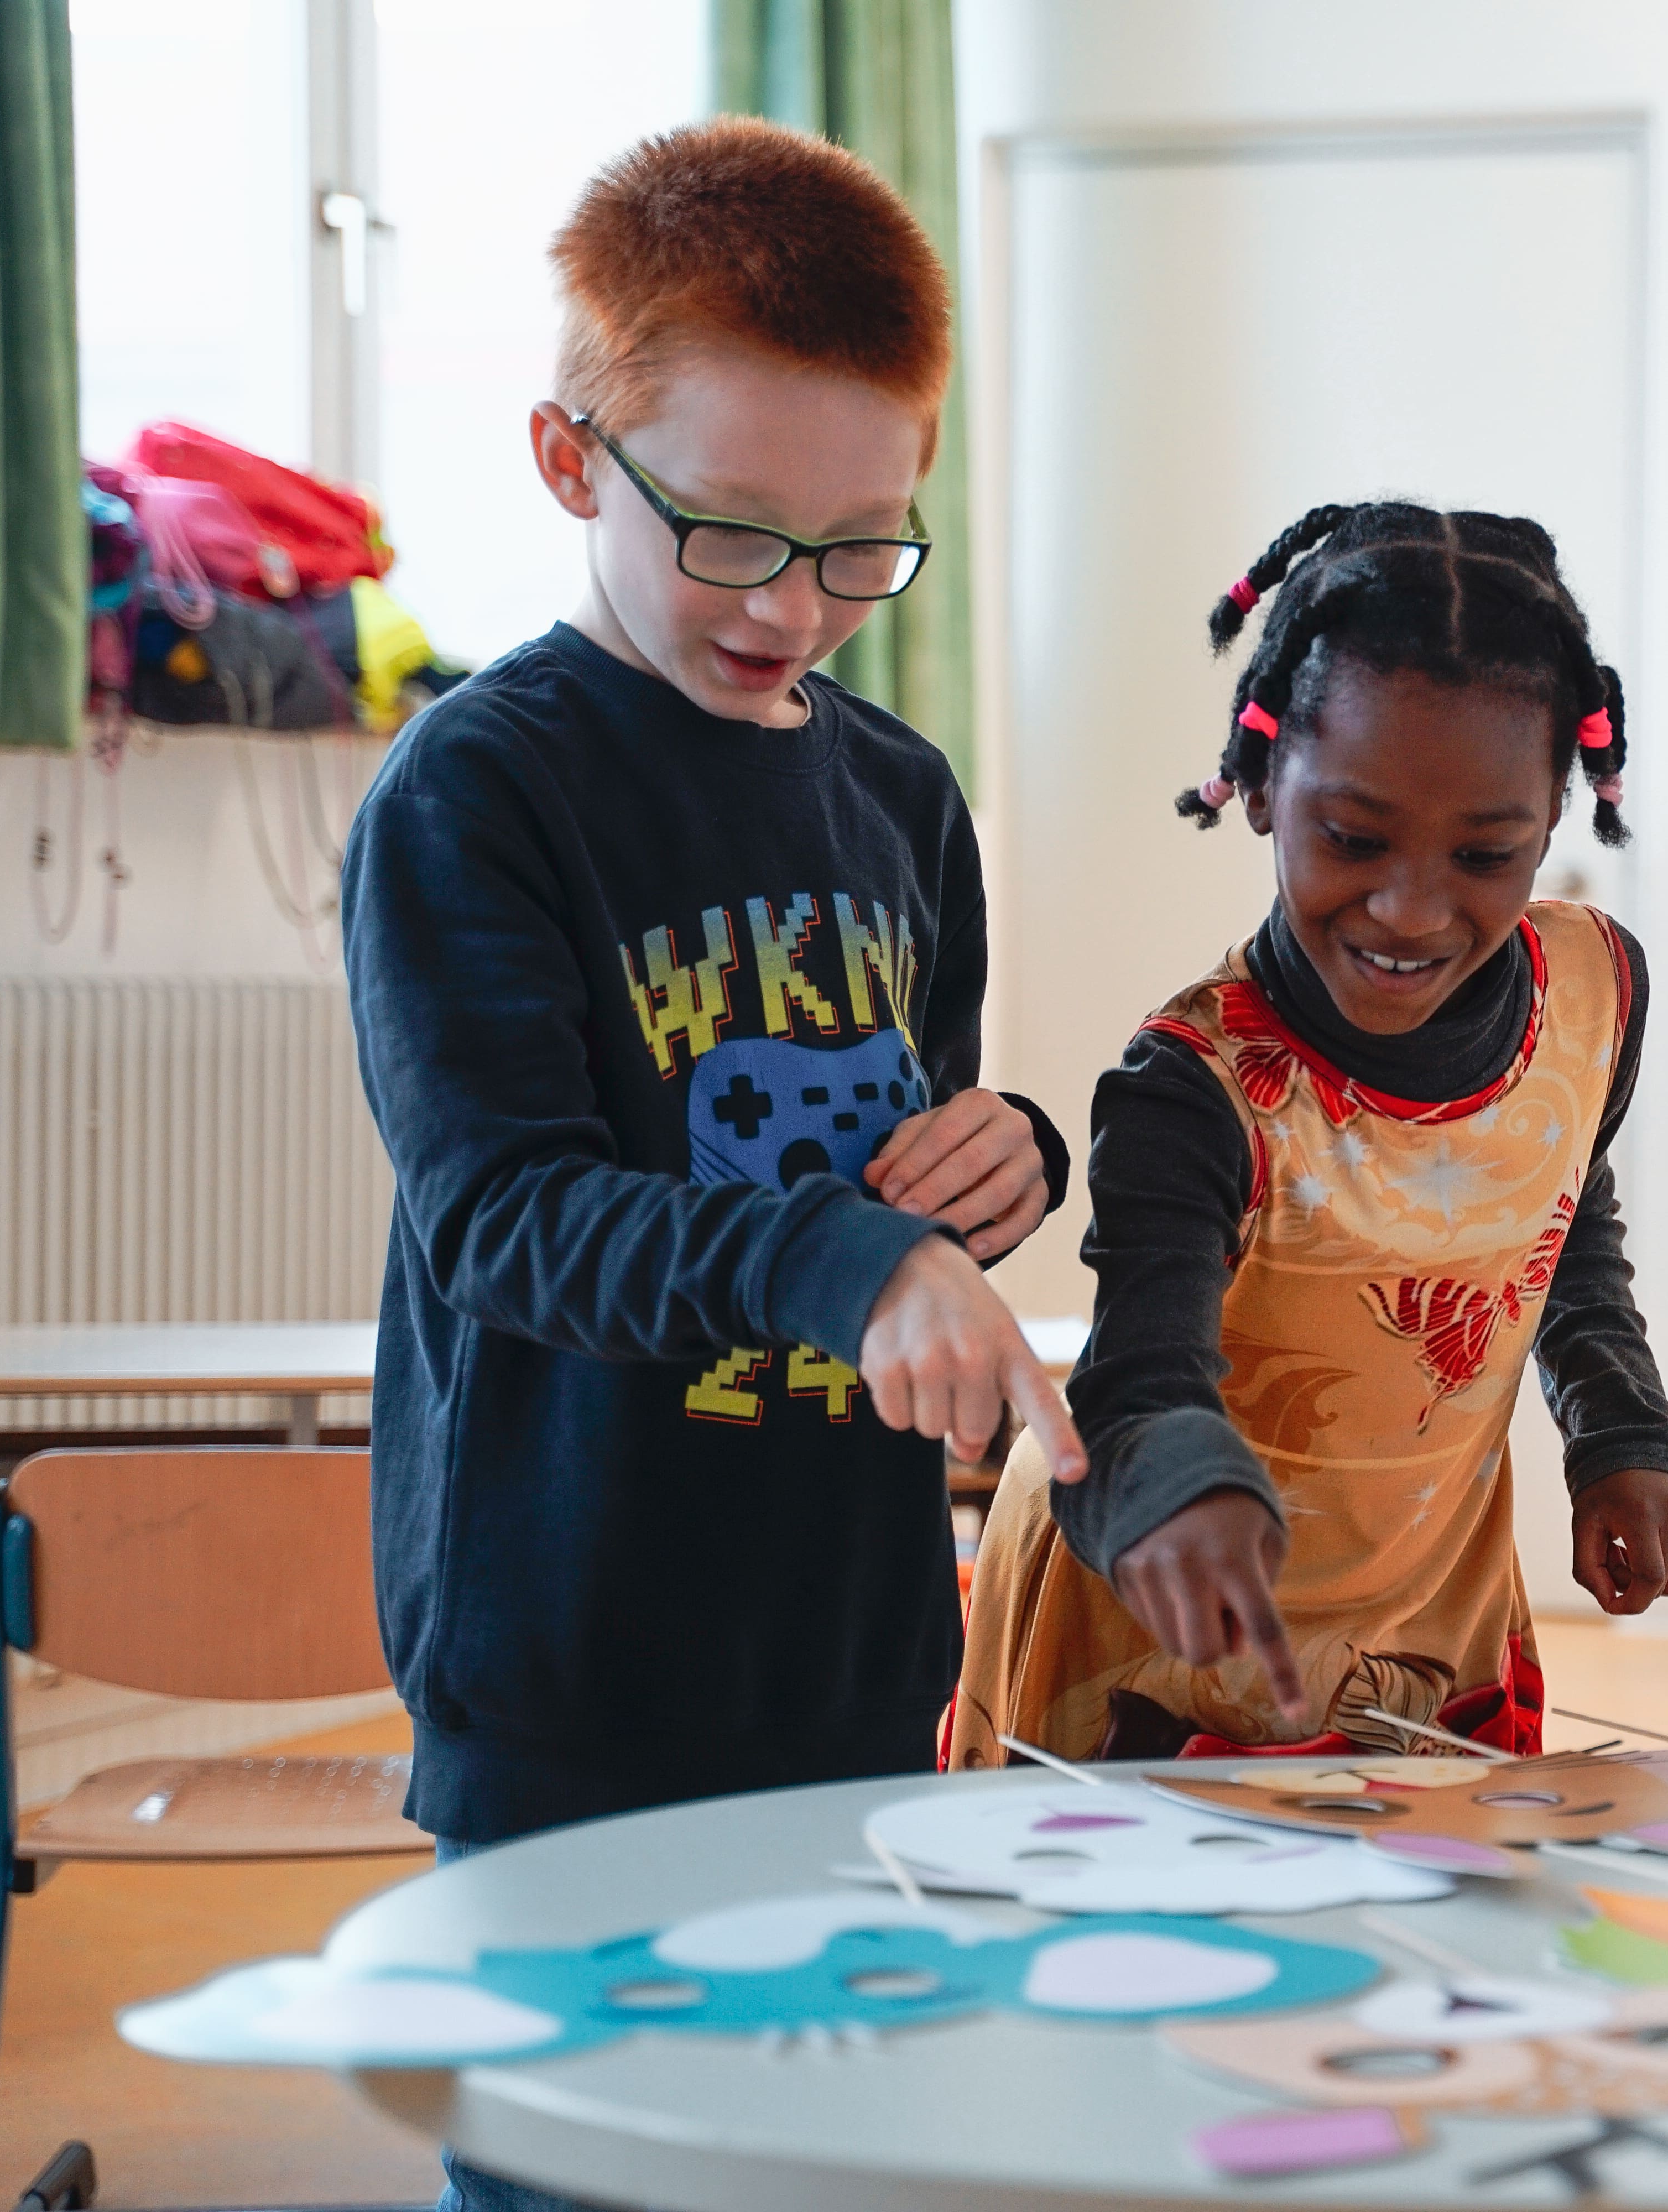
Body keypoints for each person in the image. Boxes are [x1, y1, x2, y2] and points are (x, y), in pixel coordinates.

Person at [338, 118, 1083, 2211]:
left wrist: (1007, 1157)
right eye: (738, 535)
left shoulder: (903, 800)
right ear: (576, 461)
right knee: (584, 2173)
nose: (803, 605)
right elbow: (502, 1218)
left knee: (825, 2162)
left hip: (847, 1642)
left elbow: (894, 1142)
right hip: (577, 1659)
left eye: (869, 544)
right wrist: (846, 1270)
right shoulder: (477, 792)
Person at [954, 500, 1668, 1765]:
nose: (1412, 908)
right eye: (1353, 839)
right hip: (1167, 1614)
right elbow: (1137, 1381)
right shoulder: (1195, 1086)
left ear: (1553, 823)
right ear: (1257, 784)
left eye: (1488, 852)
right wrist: (1178, 1486)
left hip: (1426, 1611)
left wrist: (1624, 1428)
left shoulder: (1597, 993)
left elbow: (1561, 1226)